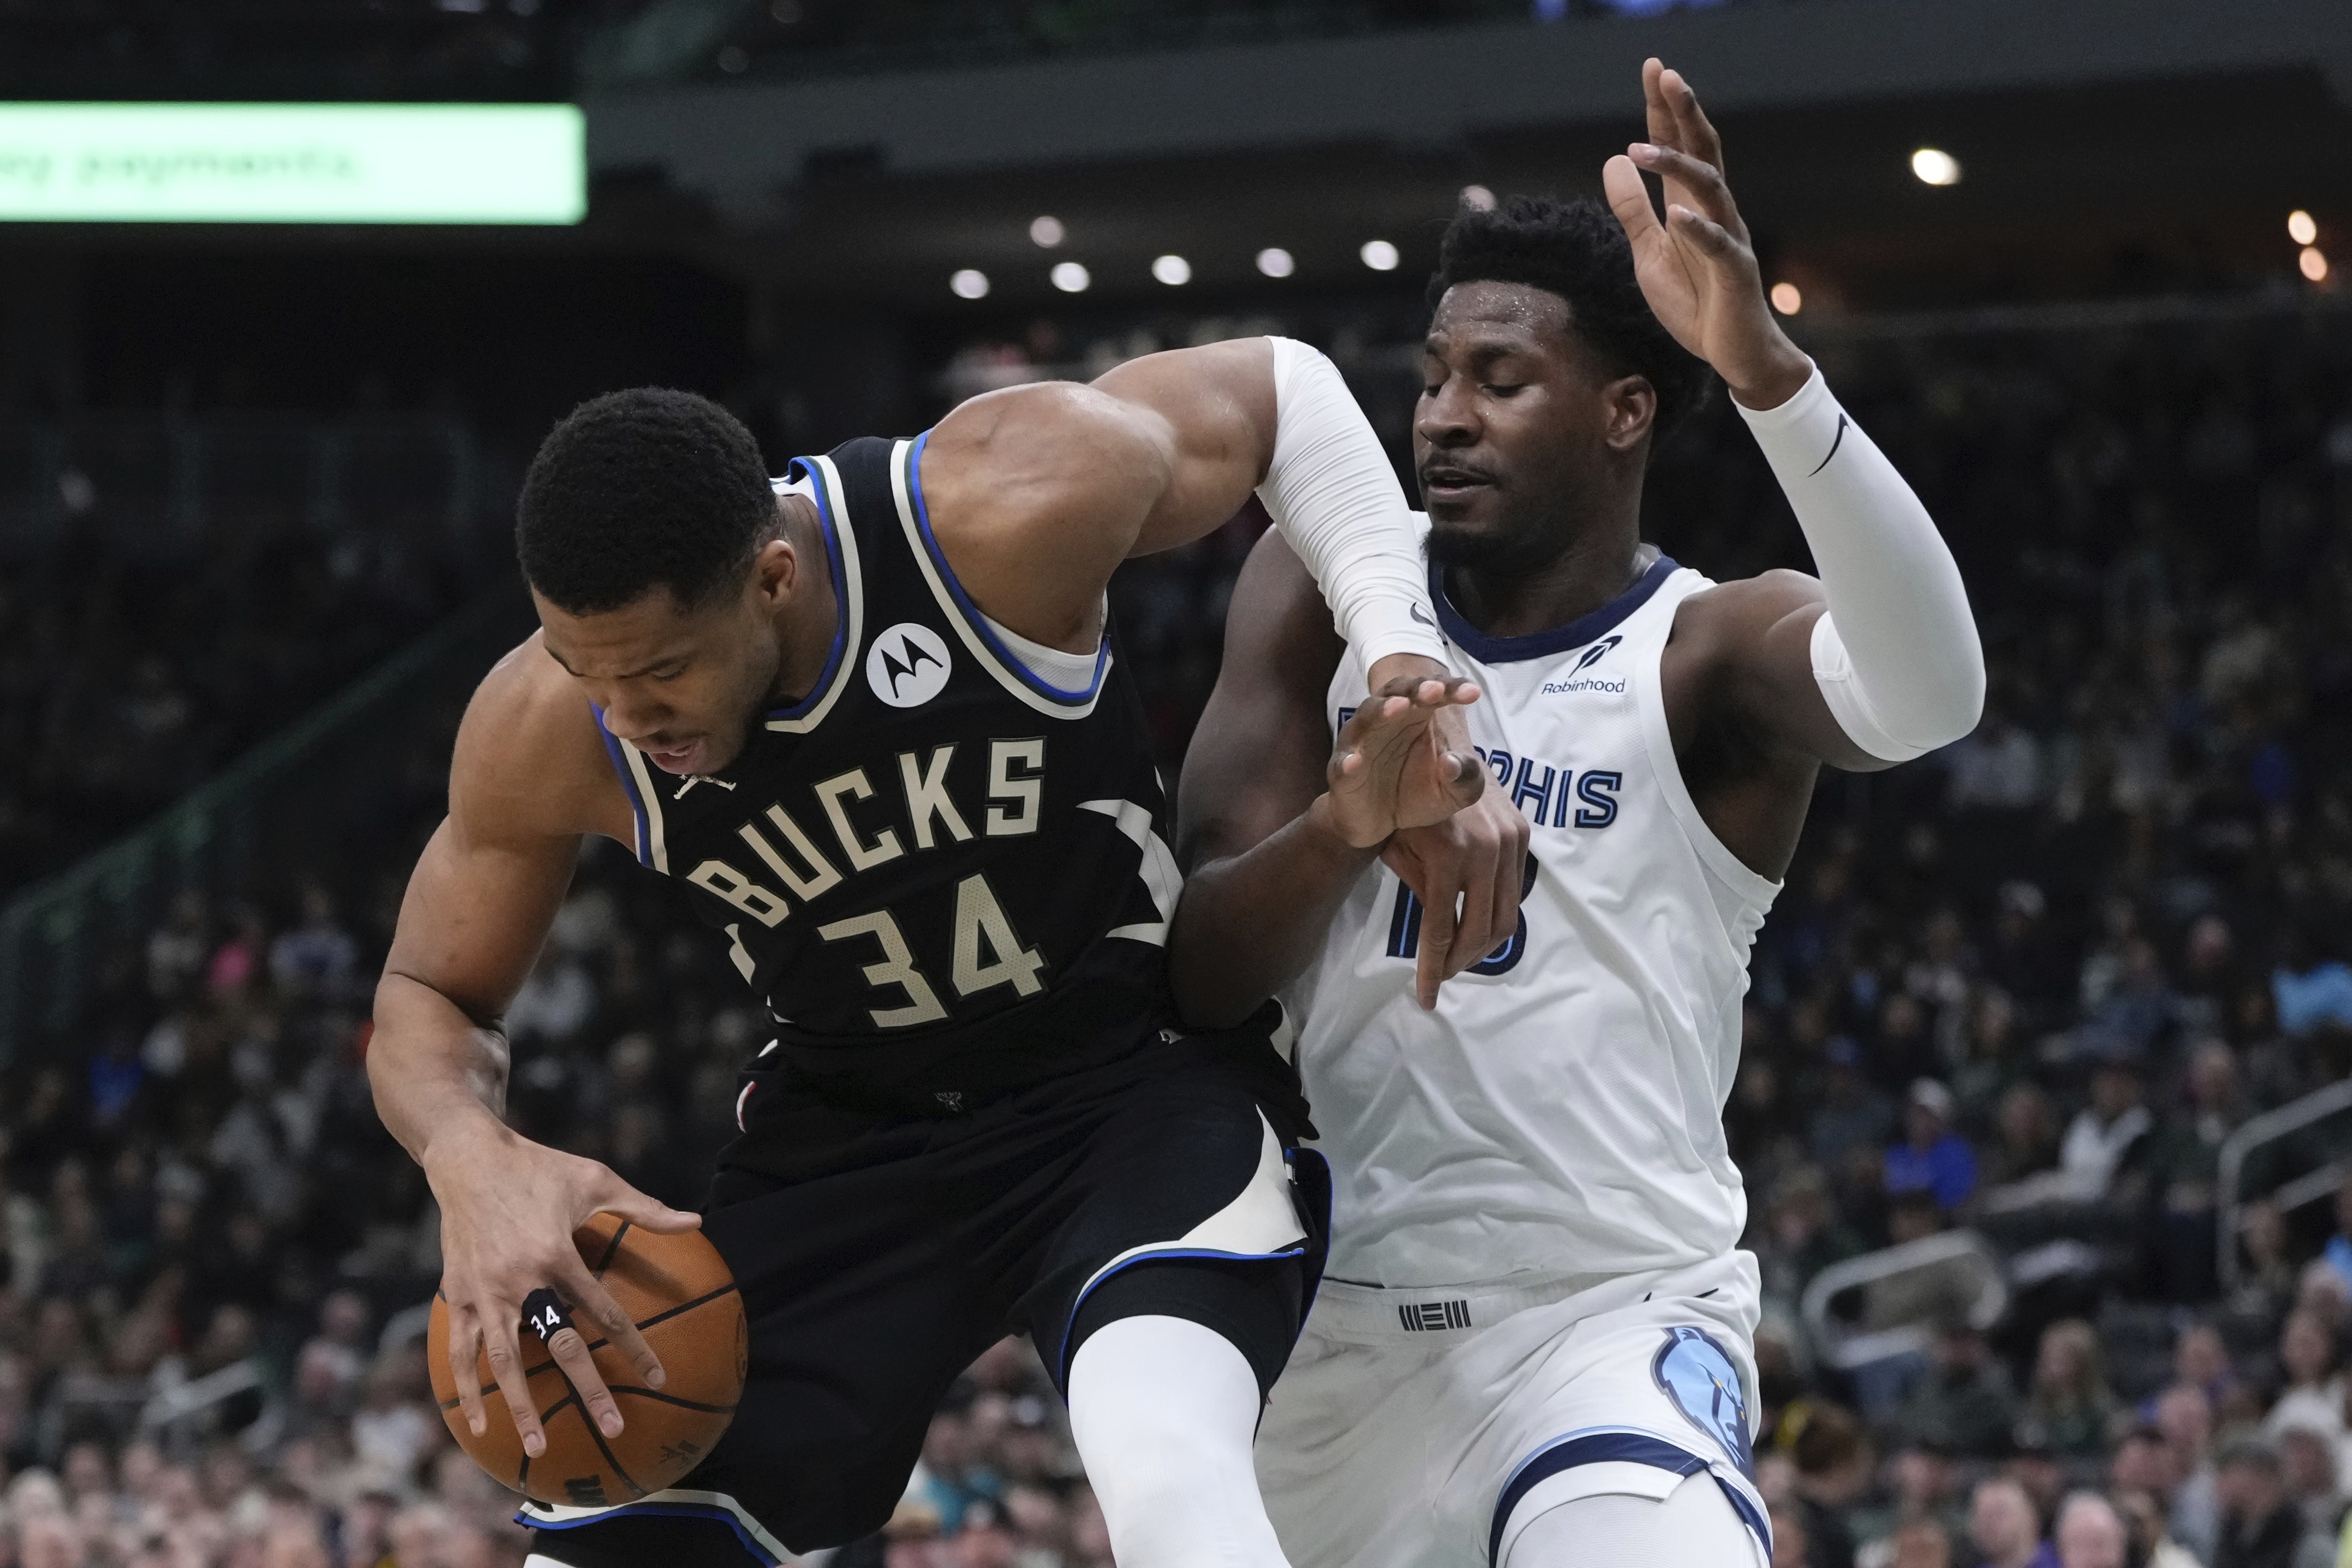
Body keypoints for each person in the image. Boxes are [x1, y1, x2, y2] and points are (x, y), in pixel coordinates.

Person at [367, 331, 1483, 1568]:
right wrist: (468, 1155)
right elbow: (428, 991)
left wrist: (1400, 659)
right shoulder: (544, 725)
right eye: (590, 673)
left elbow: (1281, 391)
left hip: (1130, 1082)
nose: (630, 718)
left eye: (664, 672)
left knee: (1168, 1472)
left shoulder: (991, 511)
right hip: (852, 1134)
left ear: (773, 578)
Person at [1172, 57, 1983, 1568]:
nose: (1441, 419)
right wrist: (1345, 825)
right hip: (1324, 1341)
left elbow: (1932, 695)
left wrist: (1769, 372)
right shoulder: (1321, 591)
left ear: (1624, 412)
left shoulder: (1706, 651)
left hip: (1602, 1321)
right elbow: (1200, 966)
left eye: (1500, 382)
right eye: (1433, 376)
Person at [1969, 1477, 2058, 1568]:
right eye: (1983, 1514)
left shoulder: (2063, 1559)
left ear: (2031, 1517)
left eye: (2000, 1513)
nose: (1989, 1523)